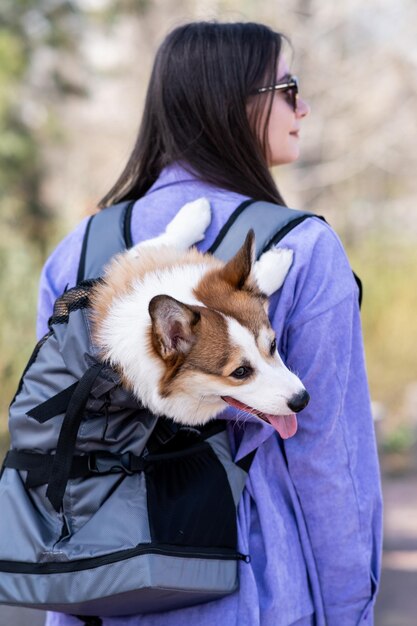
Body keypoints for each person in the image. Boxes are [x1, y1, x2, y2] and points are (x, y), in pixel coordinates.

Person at [38, 21, 382, 626]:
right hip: (255, 596)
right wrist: (351, 610)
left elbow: (55, 446)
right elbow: (330, 462)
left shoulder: (78, 251)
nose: (303, 106)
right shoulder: (303, 247)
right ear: (235, 104)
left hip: (104, 593)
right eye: (288, 88)